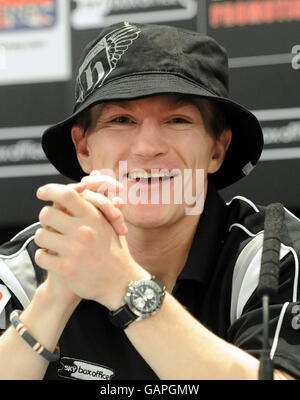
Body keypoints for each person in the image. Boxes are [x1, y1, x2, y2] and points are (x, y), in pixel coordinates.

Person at [0, 21, 299, 381]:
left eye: (177, 119)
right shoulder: (24, 266)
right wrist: (55, 295)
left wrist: (123, 285)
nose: (148, 147)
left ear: (217, 149)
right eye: (122, 119)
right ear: (84, 148)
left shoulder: (273, 257)